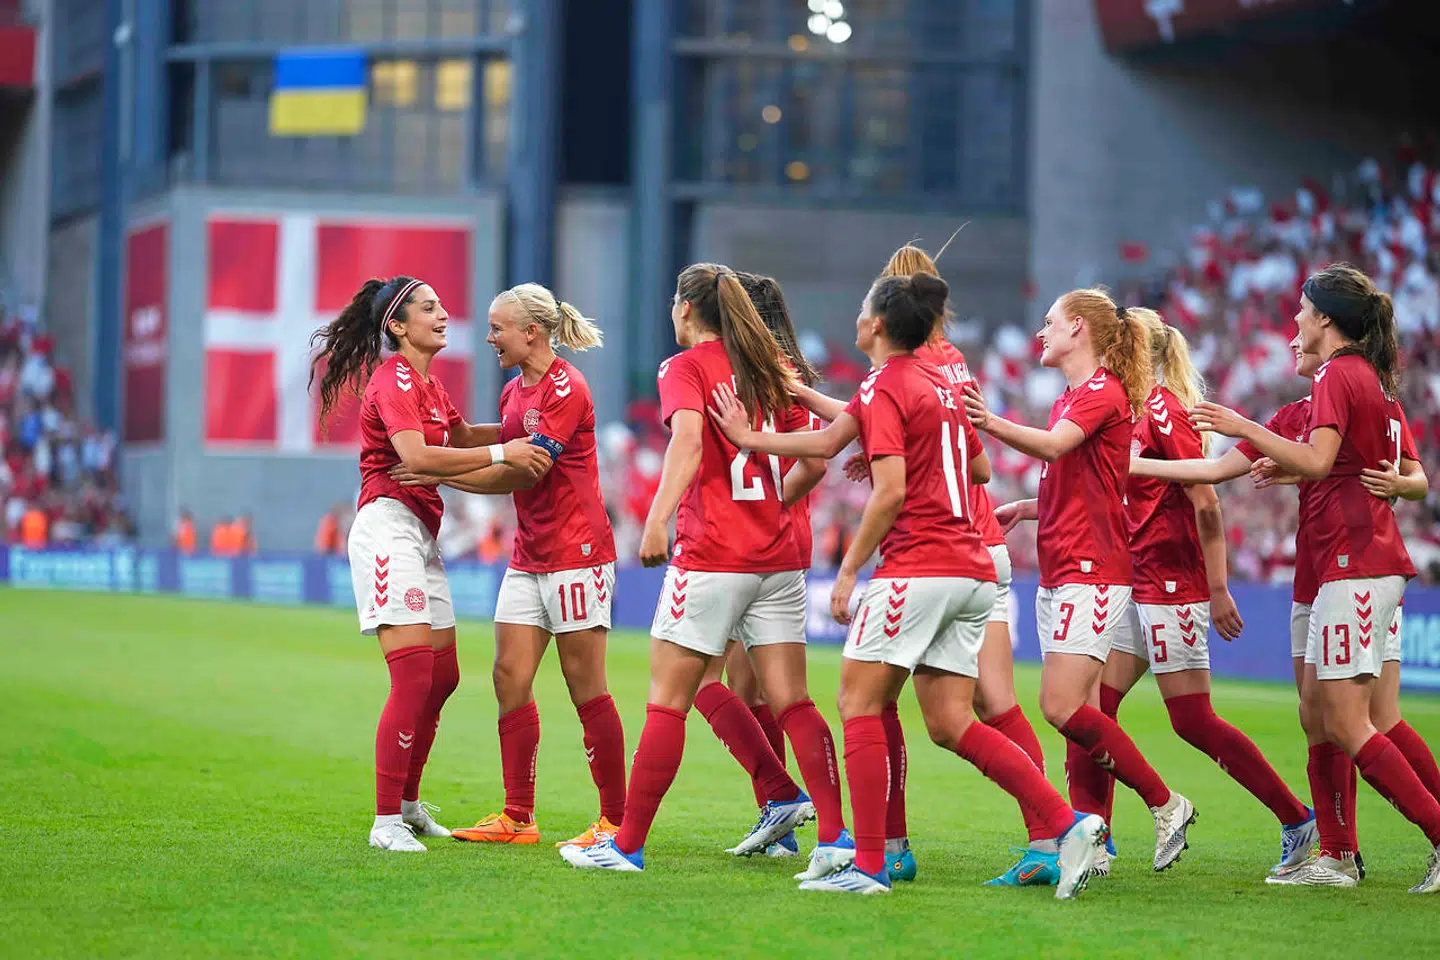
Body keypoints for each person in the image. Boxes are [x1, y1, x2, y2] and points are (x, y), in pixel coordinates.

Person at [707, 272, 1106, 896]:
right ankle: (1066, 823)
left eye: (865, 309)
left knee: (858, 703)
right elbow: (941, 458)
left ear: (877, 326)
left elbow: (889, 489)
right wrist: (751, 436)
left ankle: (867, 866)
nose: (859, 317)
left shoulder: (886, 383)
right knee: (951, 723)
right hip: (973, 570)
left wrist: (846, 572)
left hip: (921, 564)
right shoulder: (940, 382)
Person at [559, 263, 849, 875]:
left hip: (714, 552)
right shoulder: (773, 371)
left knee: (667, 699)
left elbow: (688, 443)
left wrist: (658, 519)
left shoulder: (684, 368)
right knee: (793, 701)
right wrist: (773, 506)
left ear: (687, 310)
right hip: (777, 559)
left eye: (673, 301)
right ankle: (836, 837)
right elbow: (817, 464)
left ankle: (627, 846)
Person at [1174, 263, 1440, 893]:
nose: (1292, 322)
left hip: (1352, 563)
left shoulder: (1339, 376)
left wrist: (1243, 427)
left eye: (1301, 310)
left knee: (1349, 721)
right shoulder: (1363, 381)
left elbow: (1324, 462)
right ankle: (1337, 852)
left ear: (1325, 318)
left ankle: (1404, 838)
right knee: (1329, 716)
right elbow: (1359, 467)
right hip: (1339, 565)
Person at [309, 274, 550, 852]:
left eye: (442, 305)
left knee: (442, 678)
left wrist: (544, 430)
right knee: (415, 674)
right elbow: (416, 456)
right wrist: (504, 451)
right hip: (387, 528)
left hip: (421, 530)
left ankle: (410, 805)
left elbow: (462, 436)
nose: (444, 315)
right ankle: (384, 821)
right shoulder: (393, 379)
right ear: (398, 325)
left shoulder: (430, 386)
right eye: (428, 308)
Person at [962, 288, 1198, 873]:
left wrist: (988, 420)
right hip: (1064, 564)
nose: (1040, 334)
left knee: (1061, 706)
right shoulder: (1072, 396)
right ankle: (1097, 841)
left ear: (1078, 329)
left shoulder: (1101, 393)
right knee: (1086, 716)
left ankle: (1167, 803)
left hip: (1092, 571)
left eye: (1048, 323)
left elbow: (1053, 447)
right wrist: (1025, 505)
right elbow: (1086, 486)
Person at [1080, 308, 1313, 879]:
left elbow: (1206, 499)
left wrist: (1217, 589)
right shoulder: (1132, 408)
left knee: (1192, 721)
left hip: (1172, 585)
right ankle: (1092, 839)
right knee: (1092, 708)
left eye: (1116, 341)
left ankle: (1296, 819)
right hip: (1137, 578)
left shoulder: (1163, 408)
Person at [860, 244, 1056, 886]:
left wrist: (882, 445)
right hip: (978, 549)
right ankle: (1053, 832)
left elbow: (914, 452)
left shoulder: (905, 371)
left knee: (875, 702)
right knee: (988, 707)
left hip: (938, 551)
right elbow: (976, 461)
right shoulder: (954, 366)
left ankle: (889, 846)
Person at [428, 284, 628, 850]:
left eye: (497, 327)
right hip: (531, 553)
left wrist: (440, 473)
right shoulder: (515, 391)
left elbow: (524, 471)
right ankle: (518, 817)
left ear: (531, 332)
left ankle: (616, 821)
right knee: (507, 677)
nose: (490, 337)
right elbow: (505, 445)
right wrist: (451, 443)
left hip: (576, 553)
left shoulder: (567, 387)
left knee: (584, 685)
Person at [691, 271, 829, 862]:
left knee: (721, 684)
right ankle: (783, 819)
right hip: (787, 541)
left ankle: (780, 806)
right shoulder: (783, 370)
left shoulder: (740, 366)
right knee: (761, 693)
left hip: (742, 541)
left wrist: (771, 504)